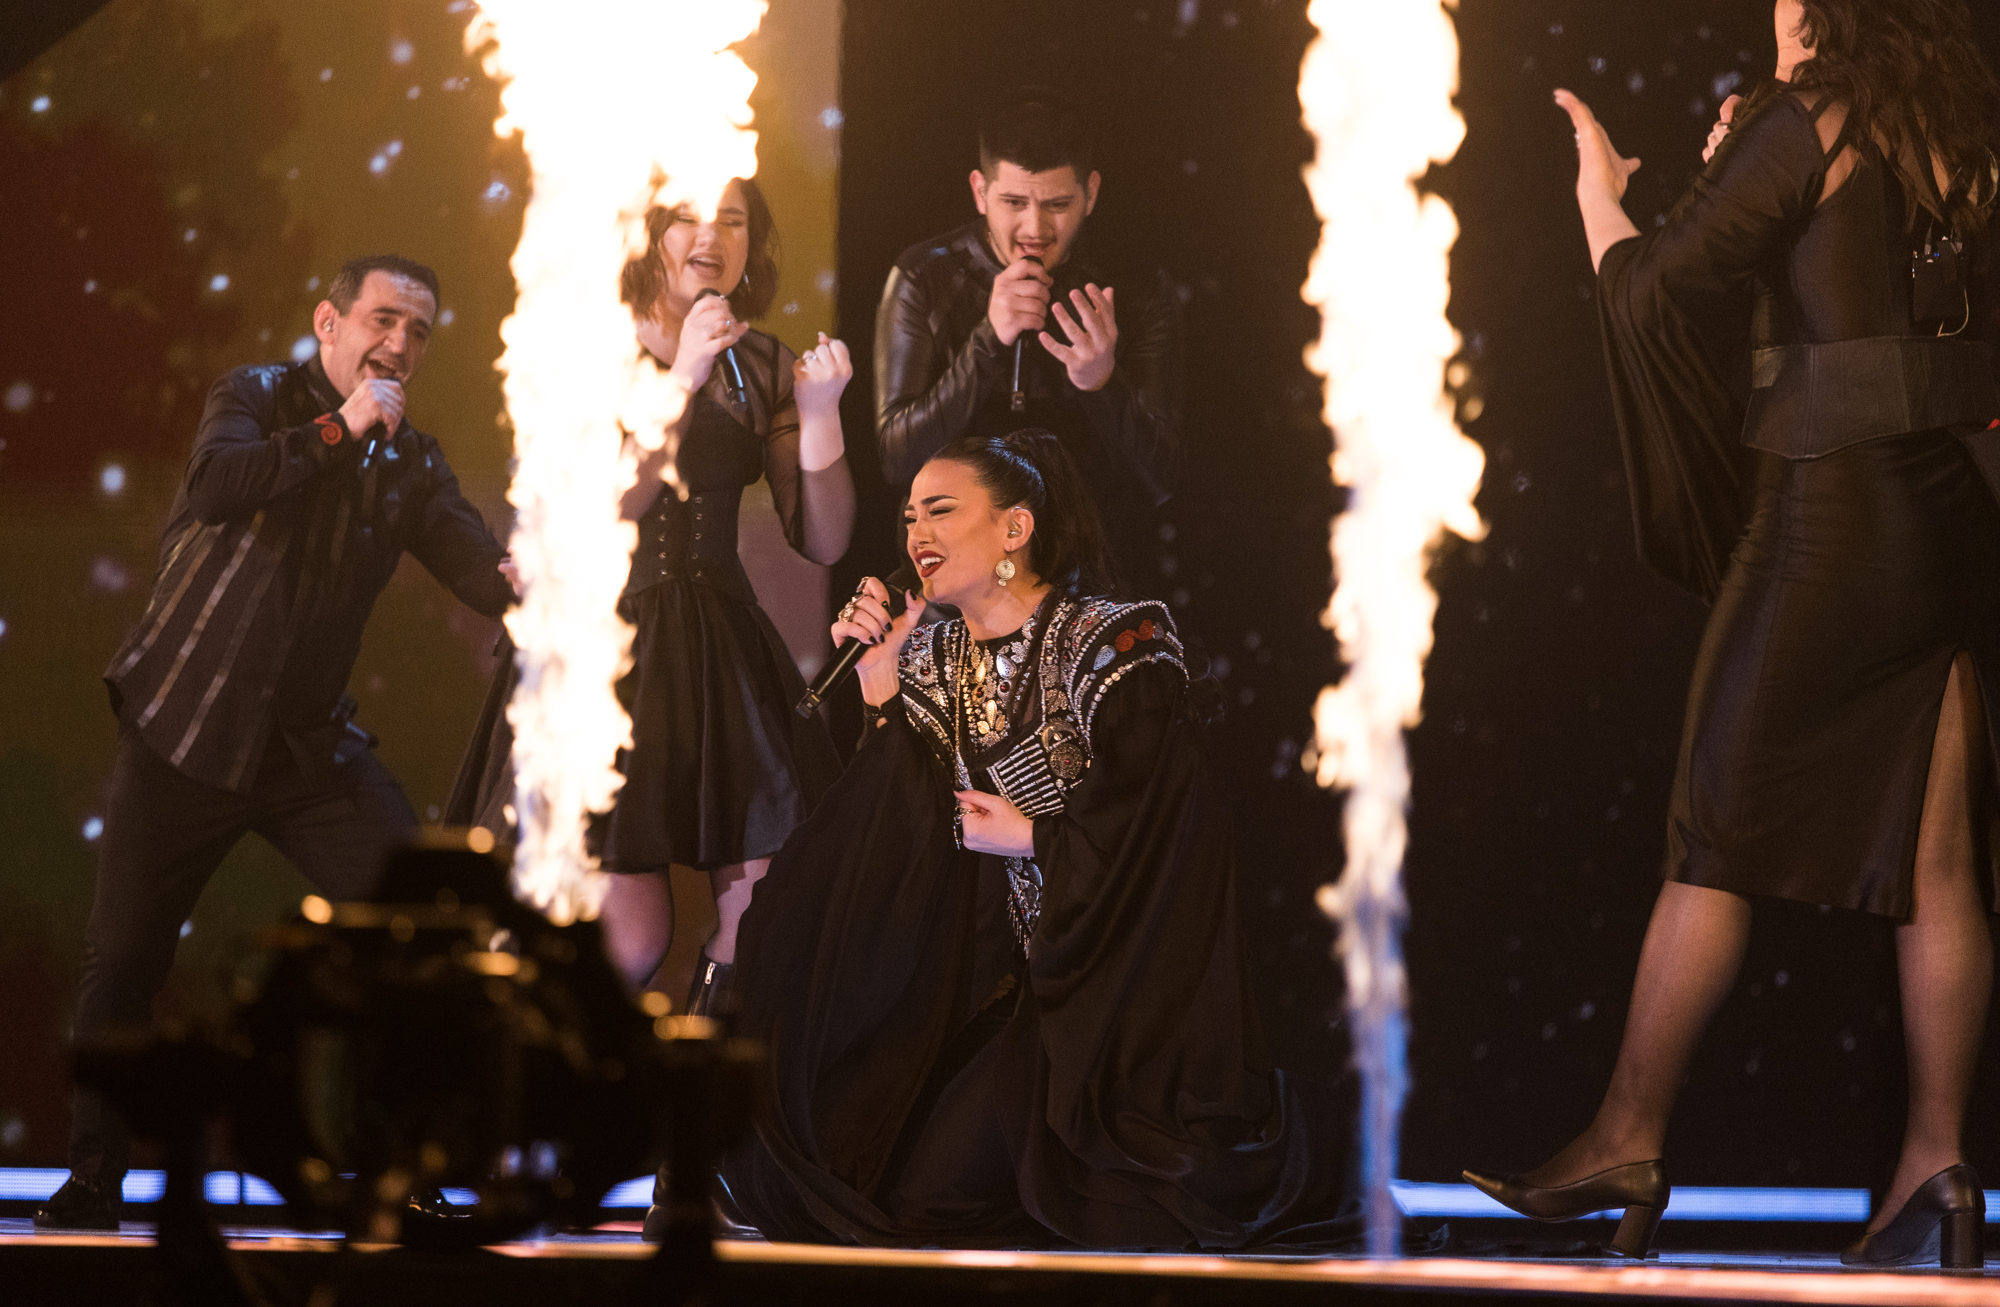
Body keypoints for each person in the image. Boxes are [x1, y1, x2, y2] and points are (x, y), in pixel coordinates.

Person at [1465, 0, 2000, 1269]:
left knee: (1712, 828)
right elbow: (1859, 305)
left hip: (1830, 511)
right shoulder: (1956, 120)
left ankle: (1627, 1130)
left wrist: (1602, 196)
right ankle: (1936, 1166)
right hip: (1950, 514)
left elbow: (1658, 294)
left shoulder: (1803, 115)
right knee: (1937, 861)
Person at [716, 429, 1357, 1250]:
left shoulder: (1119, 645)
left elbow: (1173, 839)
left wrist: (1032, 836)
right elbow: (897, 841)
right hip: (1034, 990)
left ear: (1015, 529)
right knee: (913, 1196)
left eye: (942, 511)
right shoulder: (938, 656)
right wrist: (879, 688)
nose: (917, 535)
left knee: (1137, 1208)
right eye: (910, 515)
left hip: (1135, 992)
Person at [36, 255, 516, 1232]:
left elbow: (476, 566)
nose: (400, 344)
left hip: (307, 754)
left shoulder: (413, 460)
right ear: (329, 323)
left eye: (419, 331)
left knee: (414, 937)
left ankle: (400, 1172)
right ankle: (93, 1181)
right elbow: (218, 485)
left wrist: (529, 573)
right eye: (384, 318)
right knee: (123, 957)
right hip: (183, 731)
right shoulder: (253, 396)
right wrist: (340, 430)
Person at [449, 177, 855, 1019]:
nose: (713, 238)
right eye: (691, 220)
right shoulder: (588, 341)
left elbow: (823, 539)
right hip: (607, 647)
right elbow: (604, 511)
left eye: (735, 221)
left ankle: (693, 1140)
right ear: (650, 234)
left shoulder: (764, 362)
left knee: (764, 912)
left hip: (717, 649)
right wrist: (684, 373)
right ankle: (555, 1120)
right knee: (629, 938)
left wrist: (819, 417)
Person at [873, 86, 1182, 574]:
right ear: (980, 191)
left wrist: (1103, 384)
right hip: (957, 586)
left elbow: (1162, 481)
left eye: (1057, 204)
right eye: (1013, 202)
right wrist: (987, 339)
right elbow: (897, 460)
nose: (1034, 227)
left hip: (1088, 587)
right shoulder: (927, 276)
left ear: (1092, 194)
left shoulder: (1136, 289)